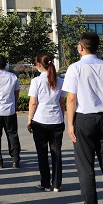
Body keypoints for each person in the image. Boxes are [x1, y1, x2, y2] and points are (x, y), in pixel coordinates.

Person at [63, 32, 103, 204]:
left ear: (81, 47)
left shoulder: (75, 68)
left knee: (86, 166)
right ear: (97, 47)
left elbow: (71, 99)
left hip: (84, 118)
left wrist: (70, 124)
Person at [26, 52, 65, 192]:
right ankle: (57, 184)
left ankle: (45, 183)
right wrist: (62, 117)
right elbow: (62, 102)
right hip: (57, 120)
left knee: (42, 153)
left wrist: (29, 119)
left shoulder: (36, 81)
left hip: (40, 120)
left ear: (38, 64)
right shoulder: (60, 81)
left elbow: (33, 102)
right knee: (56, 153)